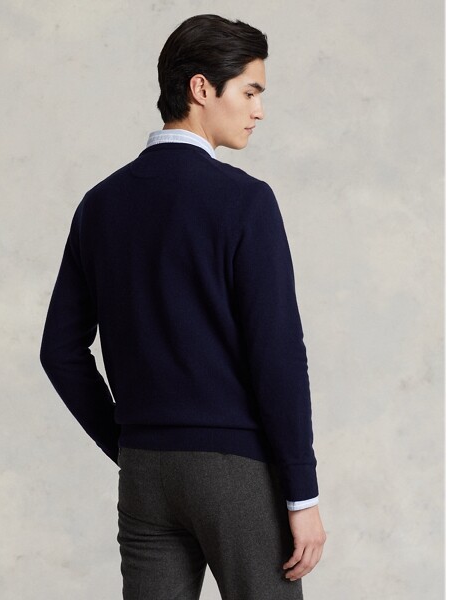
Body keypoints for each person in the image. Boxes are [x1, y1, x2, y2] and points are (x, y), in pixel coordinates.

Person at [40, 13, 326, 600]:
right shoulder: (245, 202)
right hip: (235, 471)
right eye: (250, 91)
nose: (259, 110)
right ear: (201, 88)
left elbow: (59, 351)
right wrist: (303, 494)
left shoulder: (100, 204)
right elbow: (277, 355)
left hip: (145, 474)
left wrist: (128, 443)